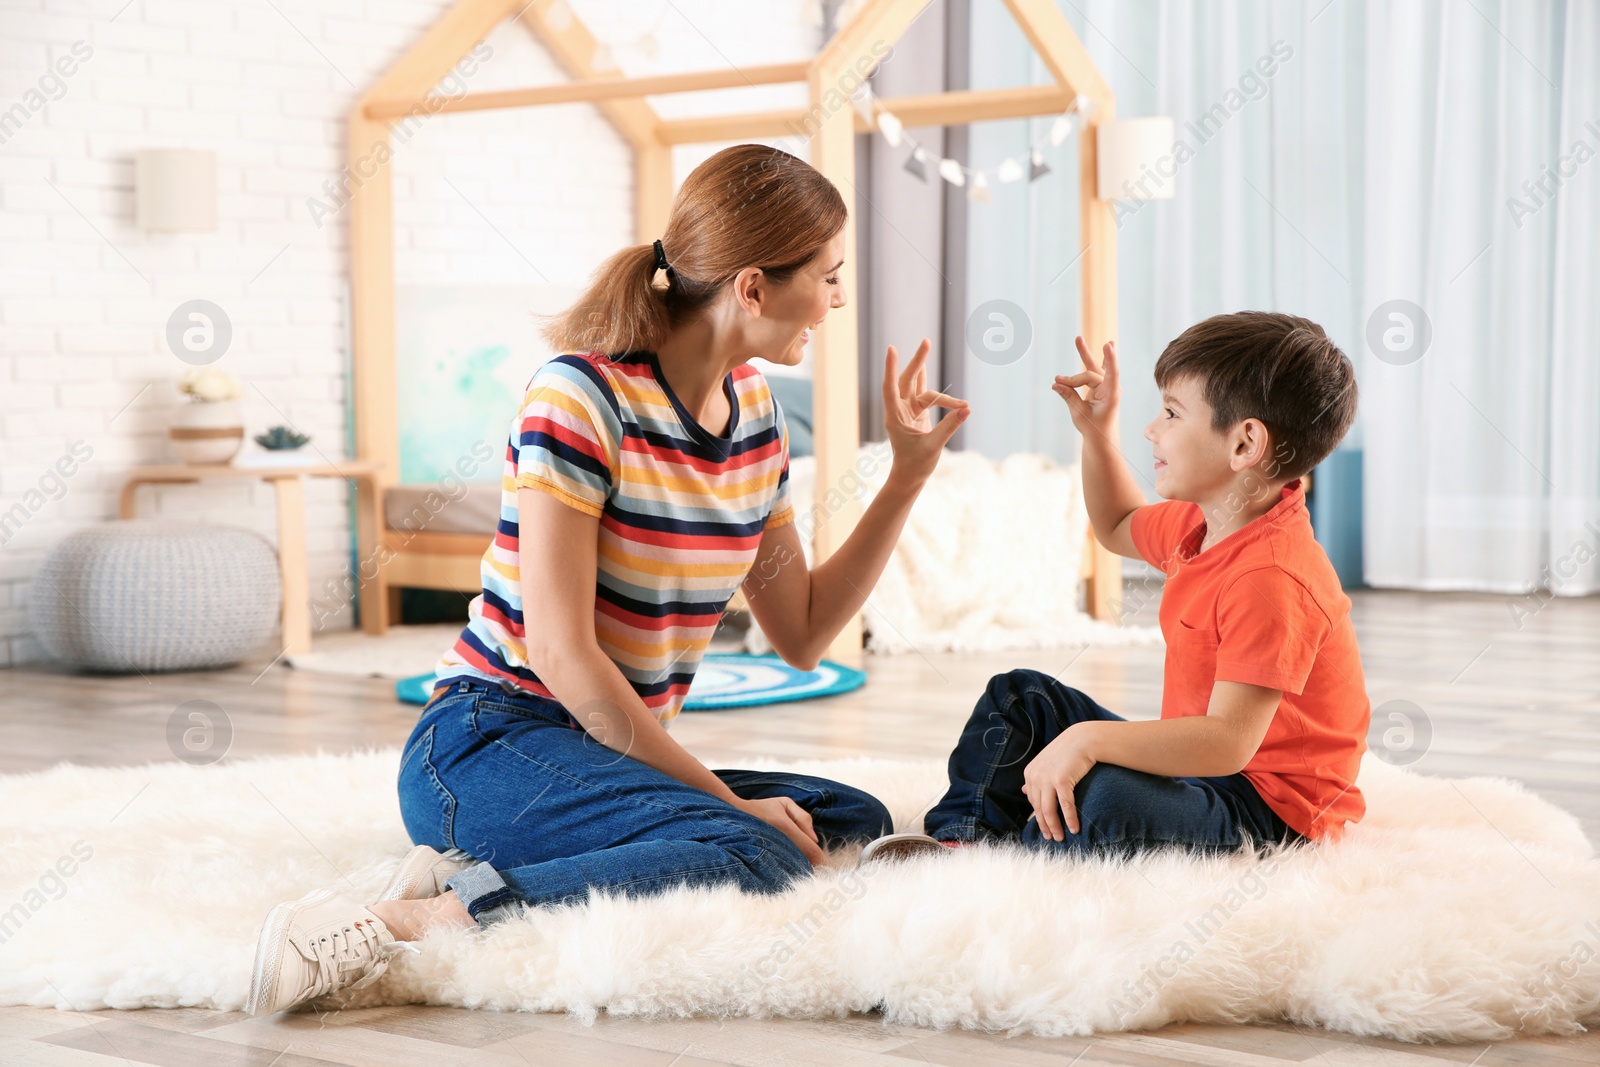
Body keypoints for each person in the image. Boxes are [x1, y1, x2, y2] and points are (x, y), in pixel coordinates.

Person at [245, 144, 969, 1015]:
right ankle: (409, 920)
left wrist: (907, 476)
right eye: (829, 274)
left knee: (840, 813)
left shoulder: (759, 419)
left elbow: (804, 630)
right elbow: (561, 654)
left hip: (603, 748)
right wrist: (723, 807)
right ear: (751, 287)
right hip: (486, 739)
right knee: (762, 847)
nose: (839, 298)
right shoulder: (580, 398)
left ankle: (502, 858)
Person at [861, 312, 1369, 864]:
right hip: (1204, 769)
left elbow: (1227, 743)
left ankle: (1025, 864)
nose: (1152, 429)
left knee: (1102, 796)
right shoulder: (1200, 522)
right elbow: (1117, 523)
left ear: (1245, 444)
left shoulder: (1274, 578)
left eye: (1172, 413)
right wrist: (1096, 432)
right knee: (1019, 698)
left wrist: (1089, 740)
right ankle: (963, 843)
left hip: (1271, 810)